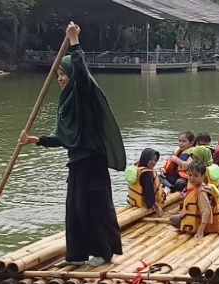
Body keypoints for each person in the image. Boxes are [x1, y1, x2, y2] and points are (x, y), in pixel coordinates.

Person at [19, 22, 125, 267]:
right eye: (57, 75)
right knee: (75, 210)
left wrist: (74, 40)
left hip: (93, 161)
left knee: (93, 208)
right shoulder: (66, 105)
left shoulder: (83, 93)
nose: (60, 79)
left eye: (63, 74)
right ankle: (77, 255)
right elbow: (64, 138)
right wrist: (34, 140)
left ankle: (104, 253)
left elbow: (82, 72)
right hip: (77, 164)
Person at [169, 161, 219, 240]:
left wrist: (200, 231)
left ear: (203, 177)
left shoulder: (201, 192)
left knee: (173, 220)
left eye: (196, 175)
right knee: (173, 219)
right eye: (190, 175)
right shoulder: (197, 187)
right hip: (196, 217)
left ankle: (199, 228)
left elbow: (206, 212)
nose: (192, 178)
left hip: (198, 222)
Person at [126, 148, 164, 216]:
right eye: (150, 159)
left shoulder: (136, 167)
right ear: (145, 158)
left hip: (133, 202)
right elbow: (148, 192)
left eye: (155, 160)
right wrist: (157, 207)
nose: (153, 162)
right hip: (144, 205)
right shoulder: (146, 174)